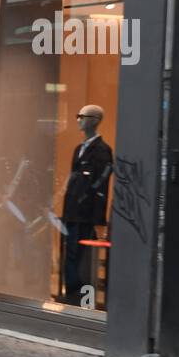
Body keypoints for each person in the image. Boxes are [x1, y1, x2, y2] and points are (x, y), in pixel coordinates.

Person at [61, 103, 113, 305]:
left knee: (82, 257)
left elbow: (101, 185)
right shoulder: (79, 149)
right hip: (72, 211)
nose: (79, 120)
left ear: (95, 121)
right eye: (78, 116)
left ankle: (81, 298)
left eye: (82, 116)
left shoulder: (102, 150)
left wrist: (98, 219)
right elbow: (74, 180)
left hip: (85, 214)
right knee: (72, 254)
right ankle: (74, 294)